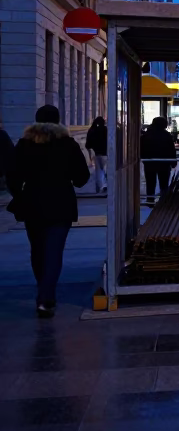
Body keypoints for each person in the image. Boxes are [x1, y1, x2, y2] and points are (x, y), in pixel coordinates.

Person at [6, 105, 90, 317]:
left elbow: (13, 176)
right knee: (54, 251)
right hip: (61, 203)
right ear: (58, 121)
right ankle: (46, 297)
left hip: (33, 203)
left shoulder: (24, 144)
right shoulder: (68, 144)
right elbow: (82, 178)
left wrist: (19, 195)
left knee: (37, 250)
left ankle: (43, 290)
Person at [139, 117, 177, 203]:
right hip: (164, 163)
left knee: (150, 182)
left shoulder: (146, 135)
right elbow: (171, 149)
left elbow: (141, 149)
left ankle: (150, 200)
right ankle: (163, 201)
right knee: (164, 183)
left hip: (150, 163)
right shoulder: (167, 135)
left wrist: (144, 159)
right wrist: (173, 162)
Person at [85, 116, 108, 192]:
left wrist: (90, 155)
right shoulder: (106, 130)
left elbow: (88, 145)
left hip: (97, 153)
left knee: (99, 171)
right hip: (106, 154)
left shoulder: (92, 130)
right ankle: (105, 186)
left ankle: (99, 188)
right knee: (105, 170)